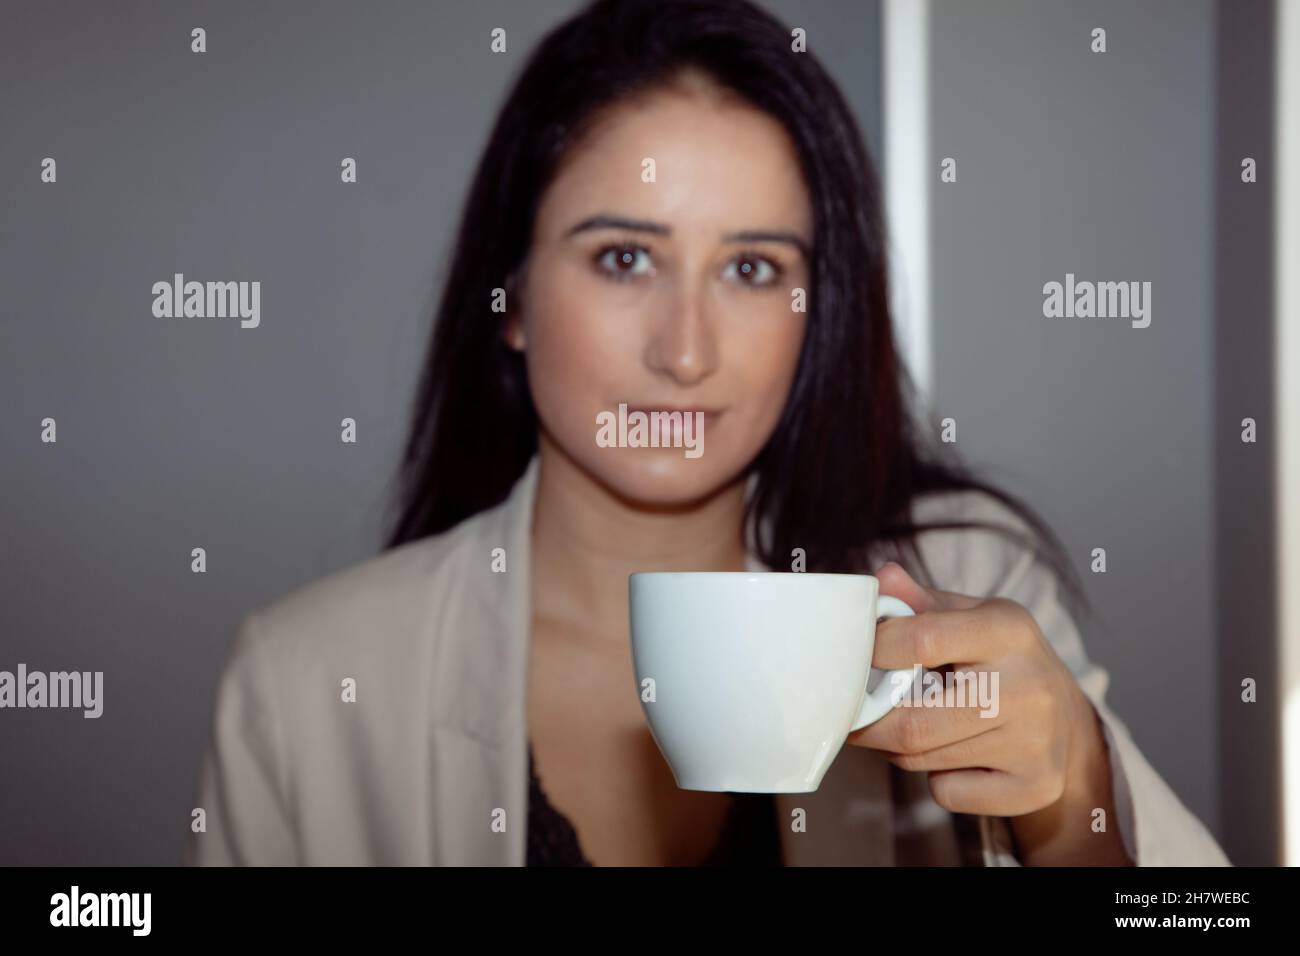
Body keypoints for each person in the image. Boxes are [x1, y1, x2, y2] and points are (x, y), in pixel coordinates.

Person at [186, 0, 1229, 867]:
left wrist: (1079, 806)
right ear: (508, 297)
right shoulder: (307, 686)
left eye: (751, 269)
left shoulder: (960, 587)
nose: (685, 352)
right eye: (624, 259)